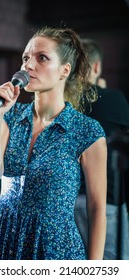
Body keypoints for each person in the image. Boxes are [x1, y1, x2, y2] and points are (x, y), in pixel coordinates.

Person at [0, 27, 107, 260]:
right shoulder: (9, 117)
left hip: (54, 249)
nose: (28, 65)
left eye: (42, 58)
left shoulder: (87, 131)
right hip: (7, 242)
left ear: (64, 71)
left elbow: (97, 209)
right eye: (26, 58)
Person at [74, 38, 129, 260]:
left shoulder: (61, 102)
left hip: (65, 201)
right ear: (96, 66)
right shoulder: (114, 98)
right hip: (106, 203)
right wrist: (103, 91)